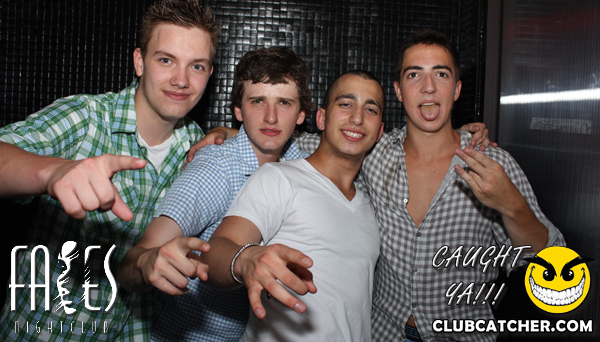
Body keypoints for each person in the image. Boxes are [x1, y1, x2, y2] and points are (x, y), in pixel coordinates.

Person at [207, 29, 565, 342]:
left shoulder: (492, 164)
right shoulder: (376, 154)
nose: (428, 87)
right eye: (414, 74)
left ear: (456, 89)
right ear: (399, 91)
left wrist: (512, 206)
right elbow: (315, 140)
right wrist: (229, 133)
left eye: (441, 74)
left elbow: (555, 273)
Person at [0, 0, 220, 341]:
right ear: (139, 62)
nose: (181, 80)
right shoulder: (87, 117)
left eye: (197, 66)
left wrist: (231, 135)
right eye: (166, 60)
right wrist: (51, 173)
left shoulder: (196, 145)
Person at [117, 46, 314, 341]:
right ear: (238, 110)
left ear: (301, 114)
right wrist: (147, 264)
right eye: (257, 101)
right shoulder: (216, 168)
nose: (271, 117)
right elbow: (134, 261)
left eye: (284, 103)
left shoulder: (299, 163)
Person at [202, 70, 386, 341]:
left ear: (380, 131)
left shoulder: (370, 206)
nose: (357, 118)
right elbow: (215, 252)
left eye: (370, 109)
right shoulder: (279, 178)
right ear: (321, 118)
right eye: (346, 104)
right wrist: (245, 260)